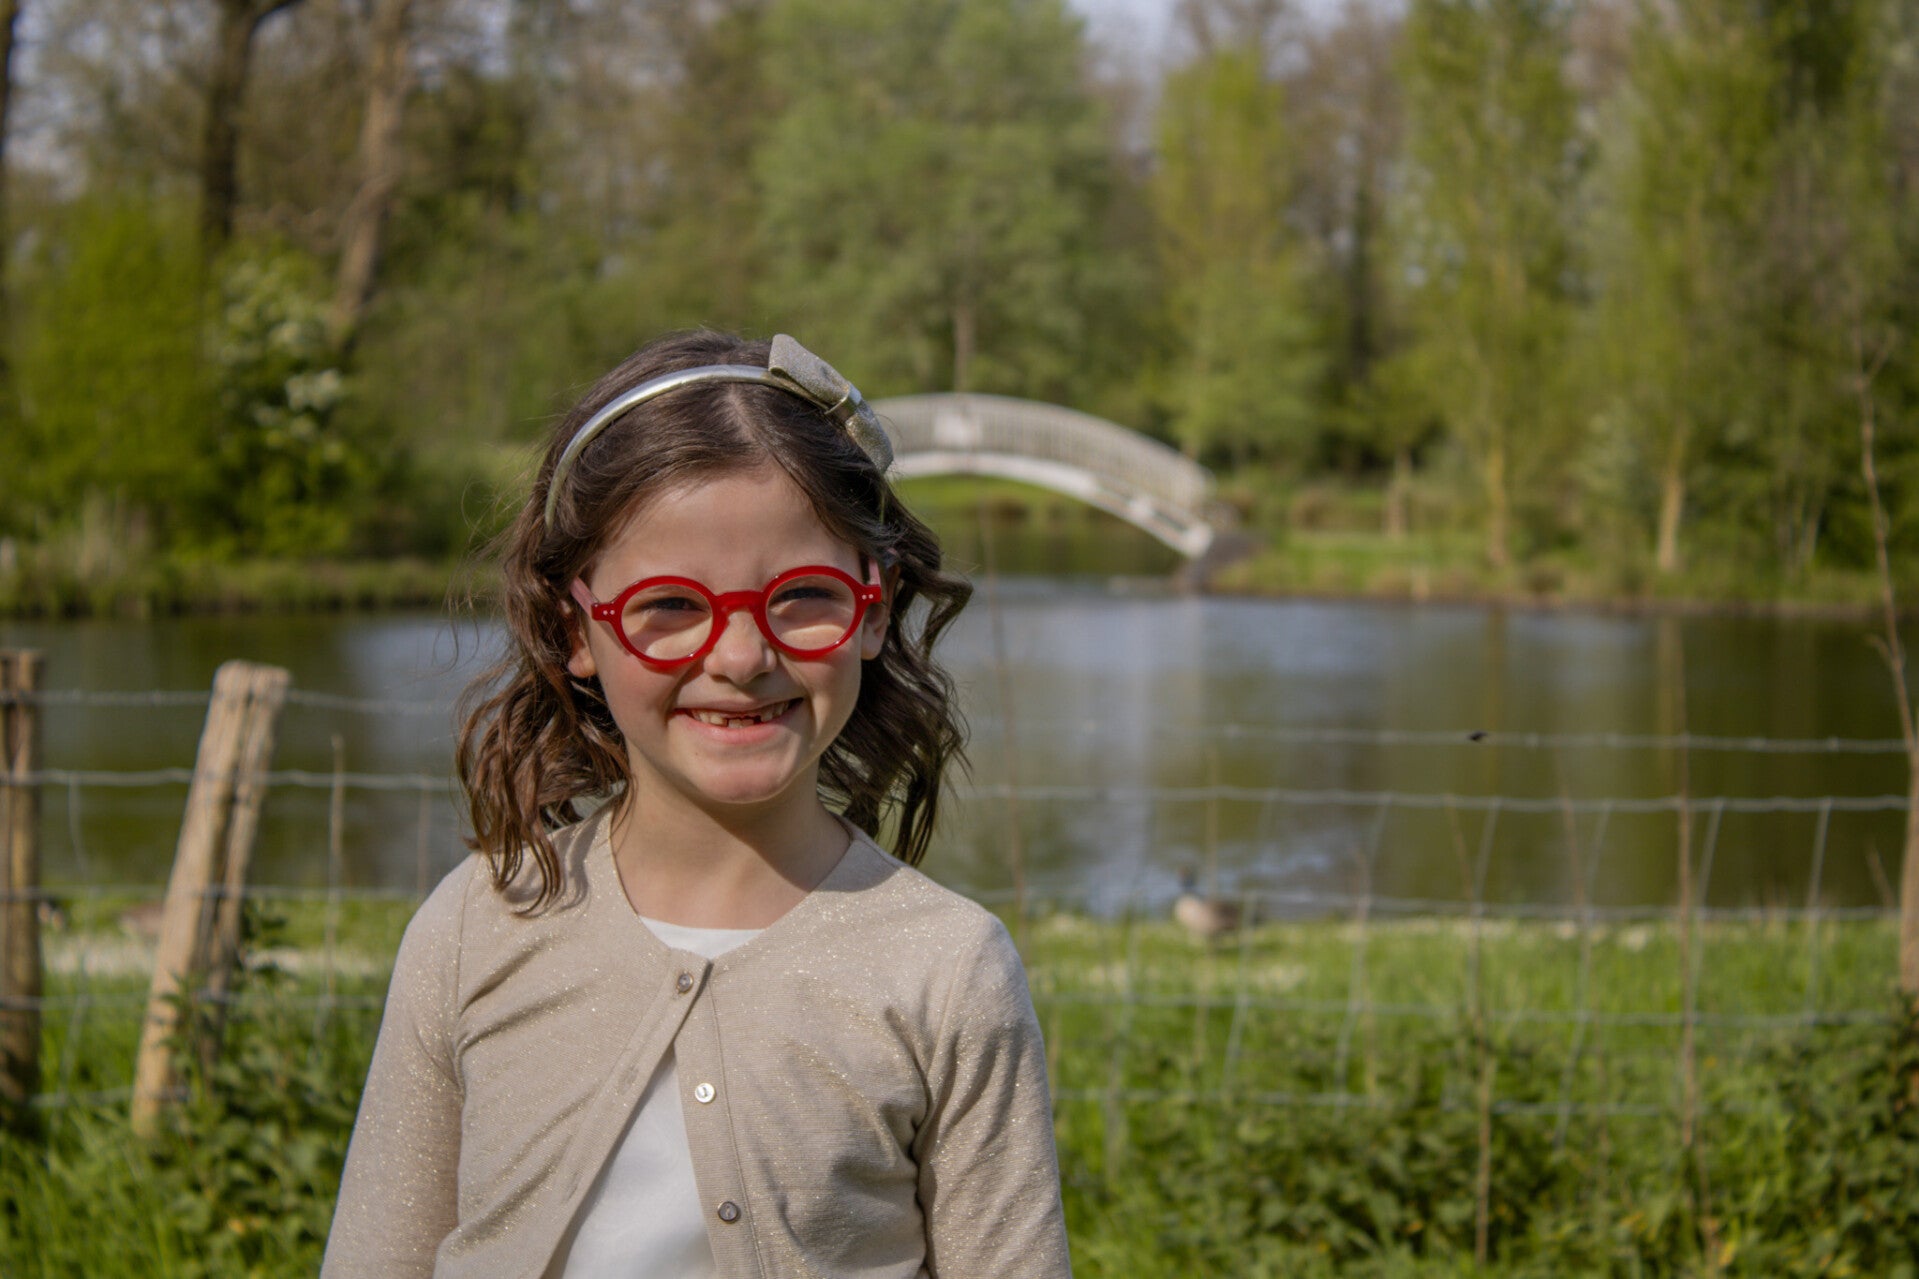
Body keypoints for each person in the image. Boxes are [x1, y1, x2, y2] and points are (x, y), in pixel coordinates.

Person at [321, 331, 1071, 1278]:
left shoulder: (948, 969)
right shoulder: (474, 928)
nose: (741, 657)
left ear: (873, 610)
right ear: (575, 628)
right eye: (671, 606)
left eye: (803, 595)